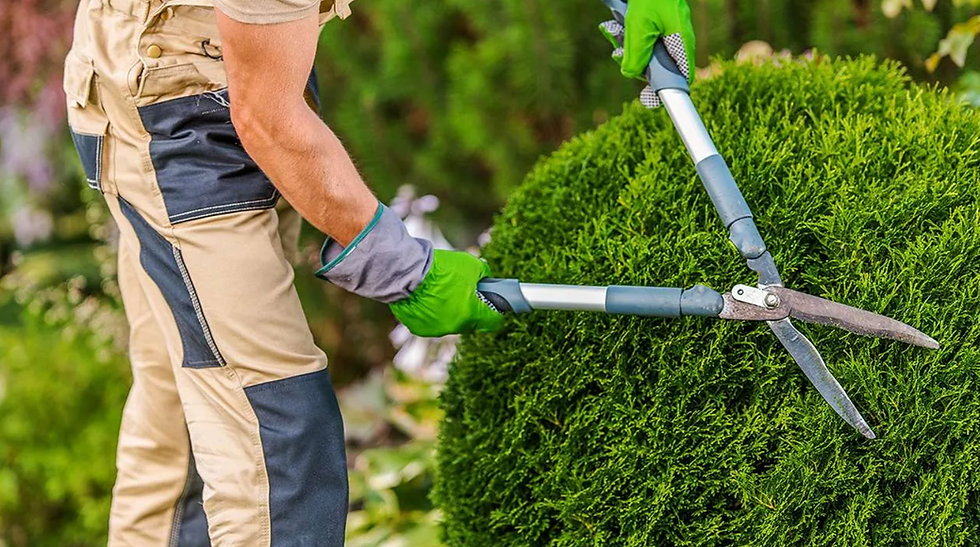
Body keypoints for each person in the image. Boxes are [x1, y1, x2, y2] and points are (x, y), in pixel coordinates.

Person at [62, 0, 694, 544]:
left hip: (233, 64)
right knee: (276, 428)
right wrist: (404, 269)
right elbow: (268, 120)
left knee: (187, 403)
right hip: (172, 108)